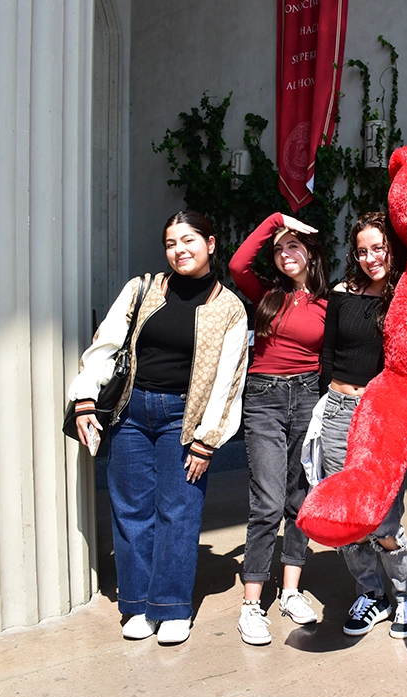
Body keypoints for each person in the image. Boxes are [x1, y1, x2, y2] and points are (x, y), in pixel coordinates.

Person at [67, 210, 249, 645]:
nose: (179, 250)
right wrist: (86, 397)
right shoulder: (143, 288)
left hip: (182, 419)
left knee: (178, 511)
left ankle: (171, 607)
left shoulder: (229, 308)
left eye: (188, 240)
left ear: (210, 243)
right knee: (131, 510)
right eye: (170, 243)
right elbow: (106, 343)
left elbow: (229, 381)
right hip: (131, 412)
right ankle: (136, 604)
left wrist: (208, 440)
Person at [317, 212, 407, 639]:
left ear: (392, 249)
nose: (370, 258)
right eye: (362, 251)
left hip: (381, 415)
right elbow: (328, 353)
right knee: (347, 517)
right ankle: (371, 593)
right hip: (337, 410)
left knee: (382, 519)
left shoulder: (406, 296)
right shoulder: (342, 293)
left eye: (378, 248)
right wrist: (327, 402)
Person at [230, 212, 329, 646]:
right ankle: (251, 603)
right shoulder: (267, 295)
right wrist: (275, 221)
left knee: (300, 498)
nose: (285, 253)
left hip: (308, 396)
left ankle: (290, 591)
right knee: (267, 501)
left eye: (293, 245)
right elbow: (237, 265)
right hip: (264, 398)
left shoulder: (329, 301)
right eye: (278, 248)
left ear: (310, 253)